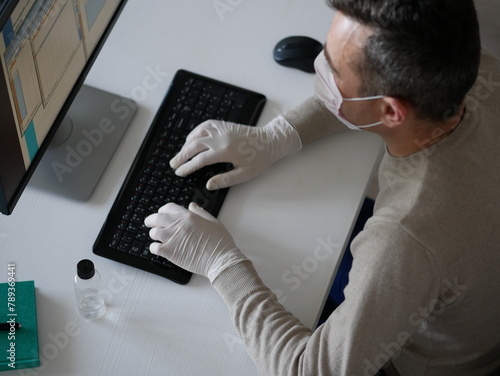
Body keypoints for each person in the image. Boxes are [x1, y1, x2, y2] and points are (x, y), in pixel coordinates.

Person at [145, 0, 500, 374]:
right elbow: (365, 102)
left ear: (392, 112)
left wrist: (222, 264)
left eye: (333, 69)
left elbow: (310, 370)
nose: (320, 72)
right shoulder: (471, 67)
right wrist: (279, 136)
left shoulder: (405, 238)